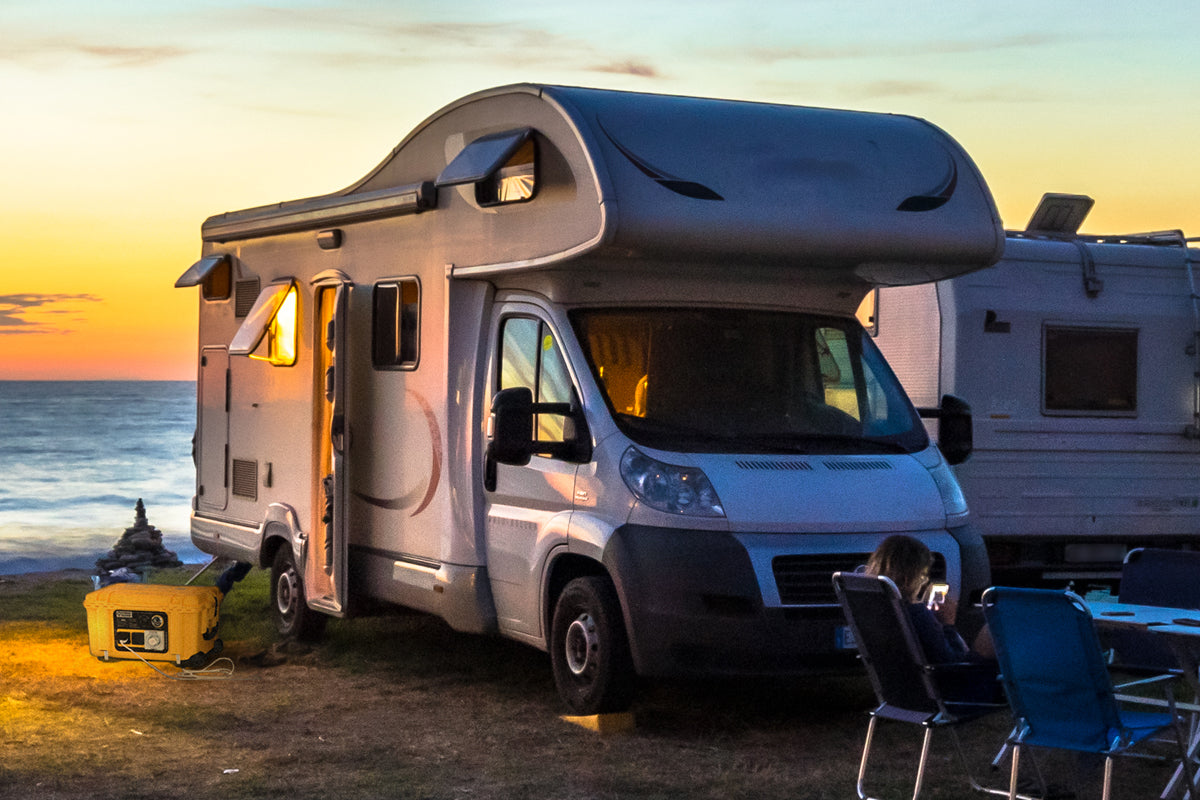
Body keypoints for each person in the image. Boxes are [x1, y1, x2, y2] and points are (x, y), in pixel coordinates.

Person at [865, 534, 999, 701]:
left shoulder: (876, 609)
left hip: (901, 696)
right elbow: (951, 663)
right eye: (923, 576)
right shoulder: (917, 614)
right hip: (953, 693)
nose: (923, 582)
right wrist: (948, 624)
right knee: (993, 627)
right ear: (908, 579)